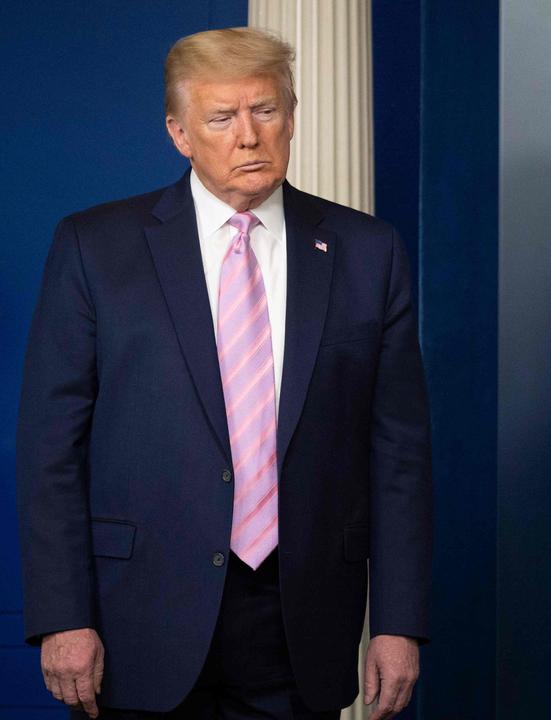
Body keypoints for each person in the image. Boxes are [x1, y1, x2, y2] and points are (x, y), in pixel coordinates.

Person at [17, 28, 432, 720]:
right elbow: (50, 448)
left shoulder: (368, 252)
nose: (249, 136)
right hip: (136, 623)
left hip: (300, 623)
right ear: (180, 133)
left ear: (291, 119)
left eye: (265, 111)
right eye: (221, 118)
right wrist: (62, 614)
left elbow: (399, 457)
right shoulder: (95, 248)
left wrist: (398, 622)